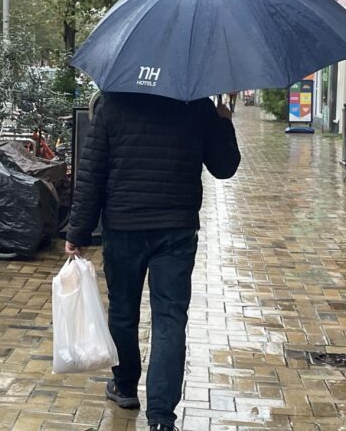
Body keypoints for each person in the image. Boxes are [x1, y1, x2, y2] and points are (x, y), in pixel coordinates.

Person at [65, 93, 240, 431]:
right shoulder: (197, 104)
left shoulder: (113, 102)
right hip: (176, 228)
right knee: (170, 320)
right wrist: (223, 120)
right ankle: (161, 417)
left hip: (124, 226)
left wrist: (78, 231)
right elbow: (225, 166)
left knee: (123, 311)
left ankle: (126, 387)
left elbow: (92, 172)